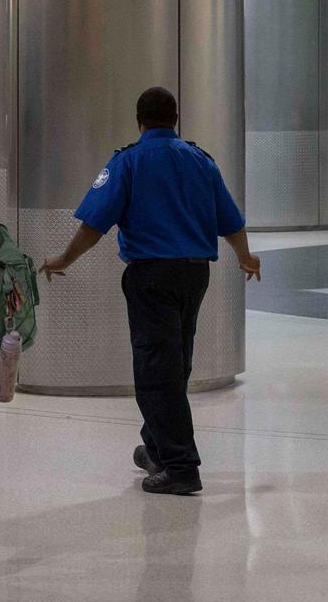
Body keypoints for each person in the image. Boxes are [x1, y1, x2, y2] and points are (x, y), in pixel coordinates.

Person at [40, 86, 260, 496]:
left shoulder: (128, 162)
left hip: (151, 278)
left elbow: (94, 224)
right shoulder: (201, 161)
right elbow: (231, 221)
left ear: (138, 121)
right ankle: (157, 447)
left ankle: (181, 466)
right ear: (175, 118)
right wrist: (246, 258)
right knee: (176, 363)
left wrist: (63, 260)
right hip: (194, 276)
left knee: (156, 371)